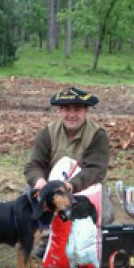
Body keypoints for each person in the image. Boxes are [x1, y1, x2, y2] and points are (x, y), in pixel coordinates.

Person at [24, 87, 113, 257]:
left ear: (86, 110)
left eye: (77, 110)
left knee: (106, 212)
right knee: (27, 195)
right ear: (60, 110)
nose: (71, 115)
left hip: (84, 189)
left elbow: (96, 170)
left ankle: (85, 244)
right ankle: (42, 240)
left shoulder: (98, 135)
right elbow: (34, 165)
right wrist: (39, 181)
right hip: (52, 191)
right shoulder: (47, 133)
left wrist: (71, 186)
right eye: (66, 109)